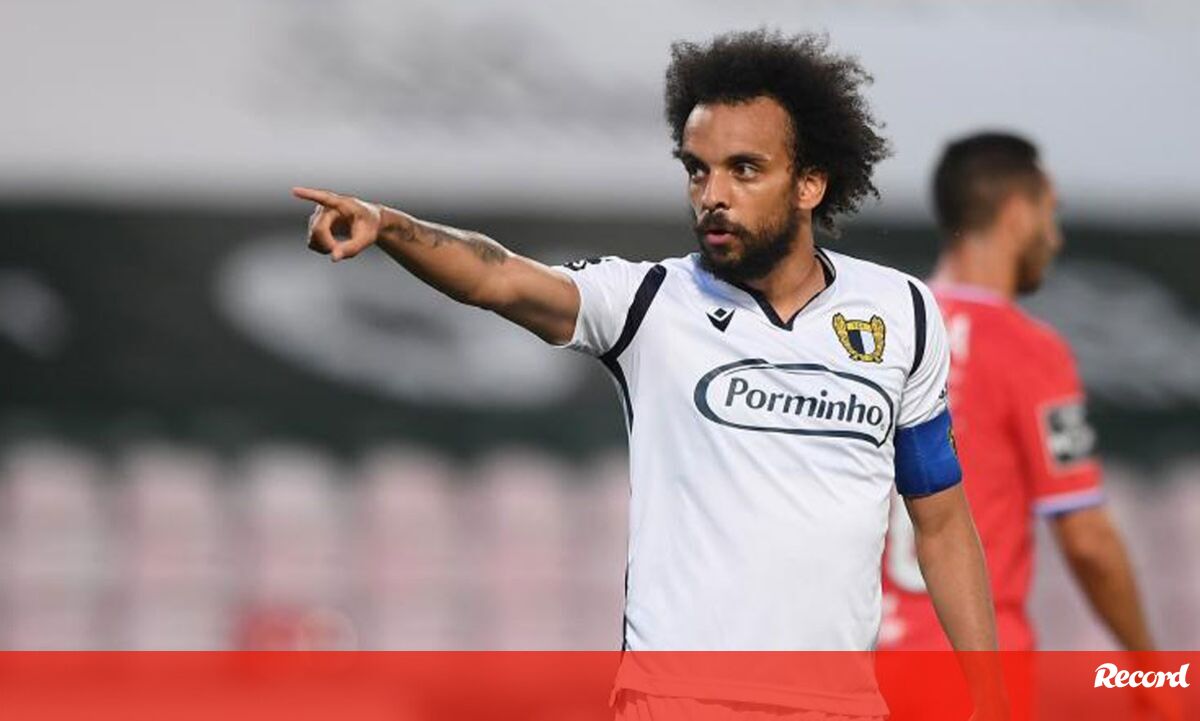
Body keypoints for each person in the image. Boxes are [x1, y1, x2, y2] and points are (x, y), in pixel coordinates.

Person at [295, 30, 1002, 721]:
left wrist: (993, 696)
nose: (712, 195)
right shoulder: (649, 303)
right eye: (697, 170)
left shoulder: (902, 311)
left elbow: (940, 522)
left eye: (744, 170)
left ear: (810, 183)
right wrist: (389, 226)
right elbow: (499, 278)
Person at [879, 132, 1169, 718]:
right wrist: (1150, 672)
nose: (1054, 236)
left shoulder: (884, 335)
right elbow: (1086, 538)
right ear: (1016, 214)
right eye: (1049, 213)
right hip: (970, 678)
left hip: (863, 667)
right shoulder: (1027, 349)